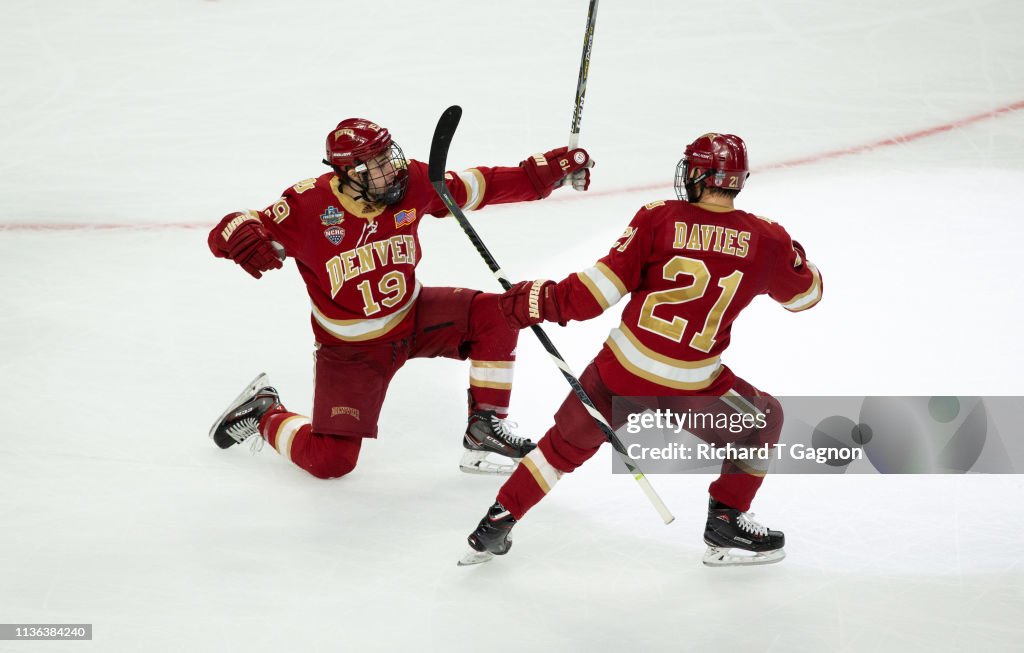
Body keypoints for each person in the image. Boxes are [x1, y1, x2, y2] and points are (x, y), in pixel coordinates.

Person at [461, 132, 823, 566]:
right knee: (764, 419)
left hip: (619, 371)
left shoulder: (658, 218)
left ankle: (498, 519)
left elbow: (592, 295)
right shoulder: (766, 239)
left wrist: (535, 299)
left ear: (697, 174)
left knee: (560, 447)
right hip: (692, 386)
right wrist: (795, 259)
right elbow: (806, 297)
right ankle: (727, 520)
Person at [206, 118, 593, 478]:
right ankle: (262, 412)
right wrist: (236, 233)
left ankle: (484, 428)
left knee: (498, 313)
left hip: (414, 316)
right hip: (351, 349)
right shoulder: (308, 206)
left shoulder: (413, 181)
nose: (393, 168)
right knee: (331, 462)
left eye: (390, 155)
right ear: (350, 173)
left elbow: (478, 186)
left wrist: (544, 175)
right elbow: (233, 227)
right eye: (378, 164)